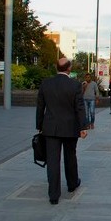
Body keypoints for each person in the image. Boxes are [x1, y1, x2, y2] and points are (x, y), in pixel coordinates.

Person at [36, 58, 88, 205]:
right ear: (69, 69)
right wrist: (83, 127)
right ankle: (72, 184)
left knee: (52, 161)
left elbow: (40, 106)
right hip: (70, 128)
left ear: (56, 68)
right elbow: (79, 107)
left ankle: (53, 195)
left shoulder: (46, 83)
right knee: (70, 156)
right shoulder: (75, 85)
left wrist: (39, 125)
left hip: (50, 128)